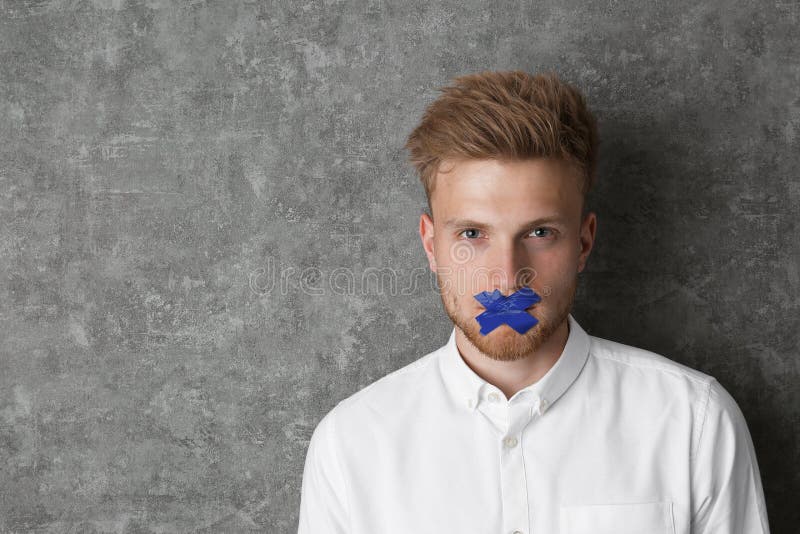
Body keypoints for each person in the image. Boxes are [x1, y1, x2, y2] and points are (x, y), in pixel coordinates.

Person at [297, 71, 770, 534]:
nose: (506, 278)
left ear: (583, 243)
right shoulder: (350, 445)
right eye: (472, 234)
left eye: (540, 233)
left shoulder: (693, 424)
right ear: (430, 246)